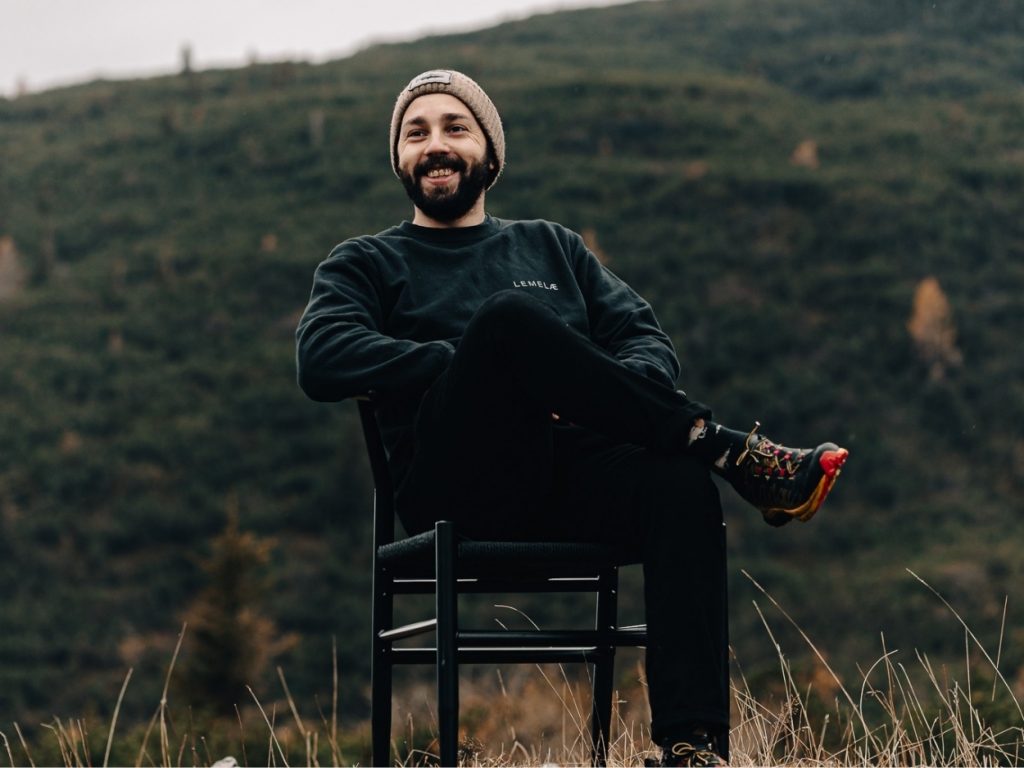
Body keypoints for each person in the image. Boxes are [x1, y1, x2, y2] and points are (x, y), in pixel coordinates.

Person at [296, 69, 848, 767]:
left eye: (455, 128)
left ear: (490, 155)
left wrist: (594, 388)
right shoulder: (366, 263)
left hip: (572, 478)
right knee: (506, 325)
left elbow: (646, 341)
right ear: (400, 159)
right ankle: (727, 447)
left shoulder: (552, 247)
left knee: (680, 489)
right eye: (417, 132)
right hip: (457, 494)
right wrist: (482, 366)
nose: (435, 145)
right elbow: (320, 357)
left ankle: (693, 745)